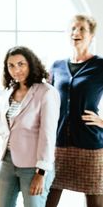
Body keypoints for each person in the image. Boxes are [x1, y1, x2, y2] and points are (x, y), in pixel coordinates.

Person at [46, 14, 103, 207]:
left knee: (94, 200)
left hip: (90, 143)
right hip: (58, 142)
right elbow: (47, 100)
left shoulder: (100, 66)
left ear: (91, 36)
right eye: (73, 28)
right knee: (48, 198)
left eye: (82, 29)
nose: (76, 33)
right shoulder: (56, 66)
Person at [0, 46, 60, 207]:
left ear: (31, 64)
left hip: (34, 166)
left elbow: (48, 135)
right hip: (8, 161)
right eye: (11, 65)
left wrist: (41, 172)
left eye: (20, 64)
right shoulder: (10, 91)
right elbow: (3, 122)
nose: (16, 69)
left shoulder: (46, 92)